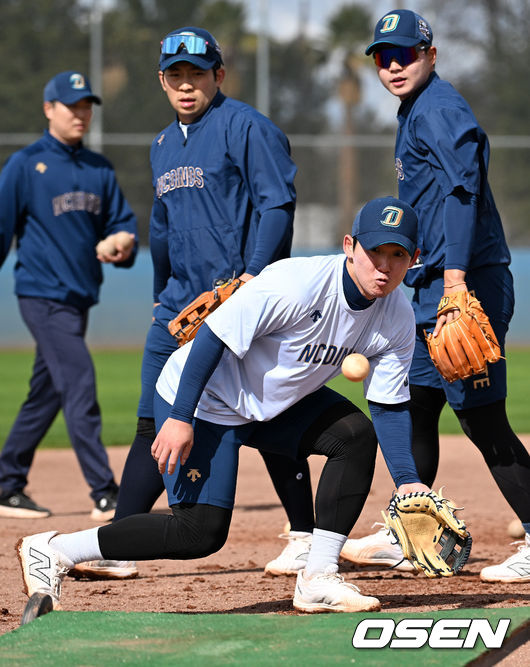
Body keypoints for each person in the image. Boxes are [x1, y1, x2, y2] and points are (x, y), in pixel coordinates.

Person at [17, 195, 433, 613]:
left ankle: (318, 577)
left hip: (275, 405)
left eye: (398, 254)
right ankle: (57, 550)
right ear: (349, 246)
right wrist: (180, 418)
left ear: (414, 258)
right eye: (374, 250)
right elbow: (211, 336)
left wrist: (408, 482)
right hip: (206, 400)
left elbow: (388, 406)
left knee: (354, 436)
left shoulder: (396, 315)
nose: (383, 265)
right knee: (198, 534)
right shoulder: (297, 283)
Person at [71, 27, 317, 580]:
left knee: (264, 411)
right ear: (162, 80)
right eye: (175, 75)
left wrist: (254, 279)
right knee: (148, 422)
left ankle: (304, 536)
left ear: (218, 76)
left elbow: (277, 205)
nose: (187, 84)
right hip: (179, 309)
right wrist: (163, 297)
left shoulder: (247, 128)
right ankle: (117, 541)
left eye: (197, 74)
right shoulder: (162, 144)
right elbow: (161, 226)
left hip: (238, 305)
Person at [342, 9, 530, 584]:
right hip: (432, 285)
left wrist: (454, 279)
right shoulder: (414, 111)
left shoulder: (441, 108)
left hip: (463, 284)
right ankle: (411, 530)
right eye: (383, 56)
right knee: (415, 407)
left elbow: (462, 191)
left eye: (406, 53)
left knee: (483, 421)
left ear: (431, 54)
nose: (394, 65)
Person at [0, 71, 138, 522]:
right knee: (78, 381)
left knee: (47, 393)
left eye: (86, 105)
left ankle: (6, 483)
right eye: (71, 105)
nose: (81, 113)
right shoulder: (25, 165)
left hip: (79, 296)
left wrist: (121, 243)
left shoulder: (98, 168)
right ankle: (106, 492)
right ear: (48, 109)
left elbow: (123, 226)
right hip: (41, 294)